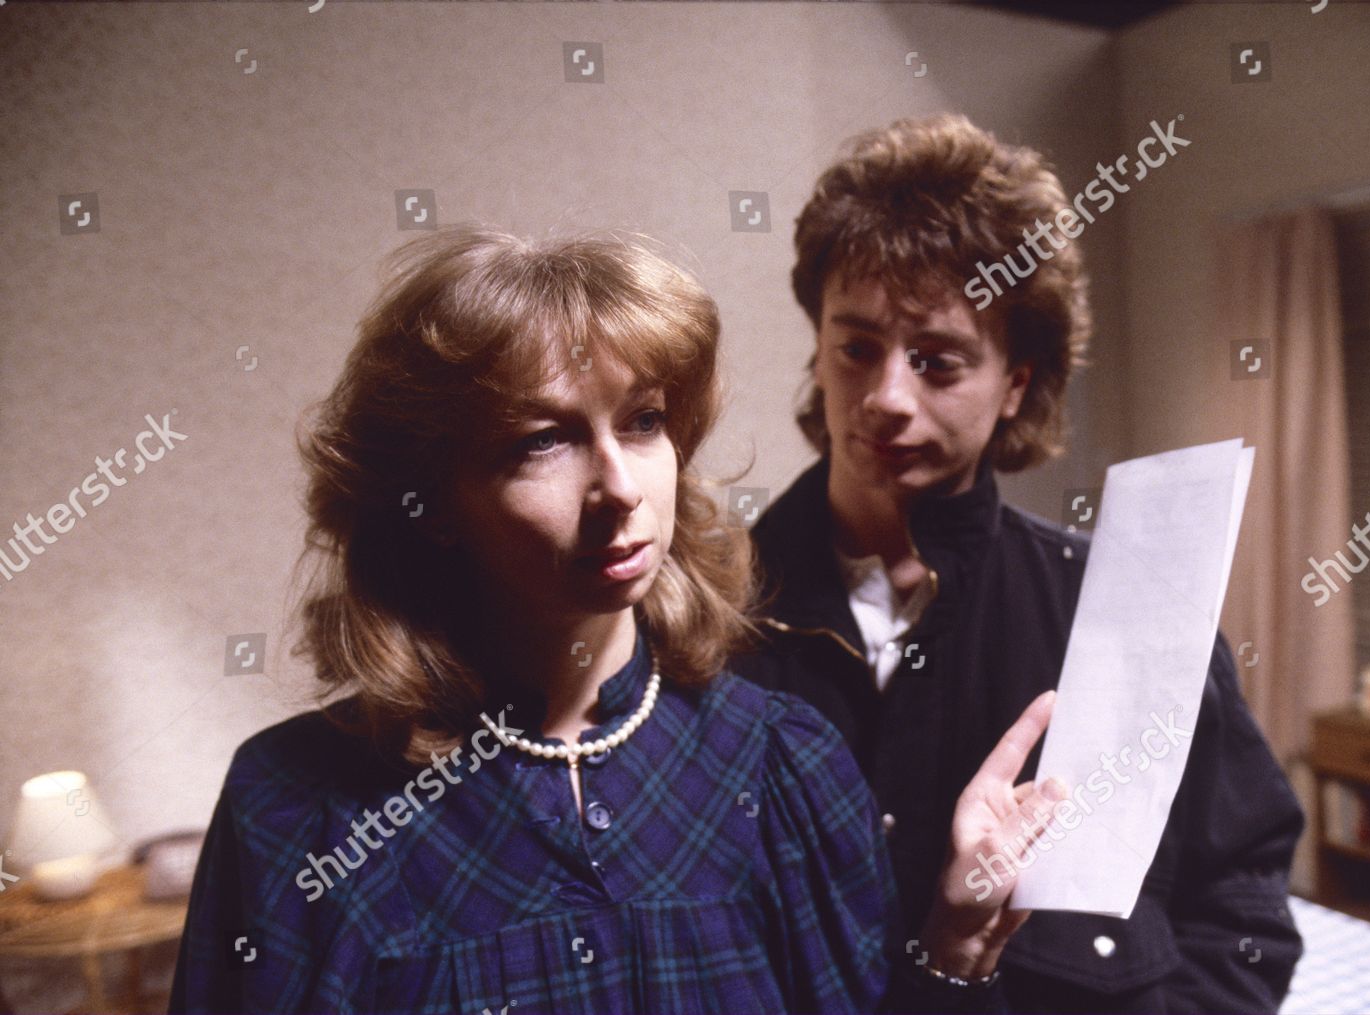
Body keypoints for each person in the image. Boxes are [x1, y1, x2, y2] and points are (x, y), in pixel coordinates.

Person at [168, 225, 1071, 1013]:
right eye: (542, 441)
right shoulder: (295, 808)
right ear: (431, 498)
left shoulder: (786, 762)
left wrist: (955, 940)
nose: (620, 488)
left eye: (642, 422)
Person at [728, 113, 1305, 1013]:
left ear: (1017, 385)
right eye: (857, 348)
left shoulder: (1127, 612)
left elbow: (1240, 902)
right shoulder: (705, 610)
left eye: (938, 361)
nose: (886, 397)